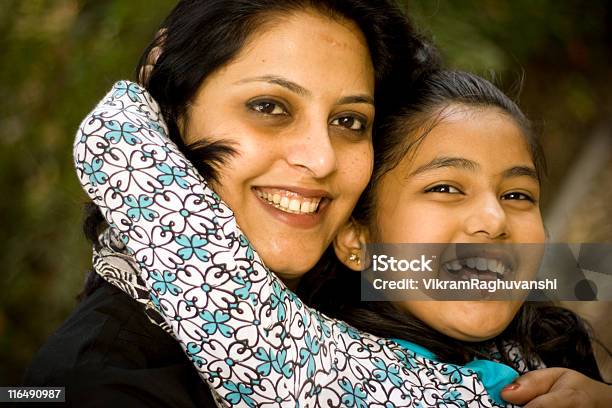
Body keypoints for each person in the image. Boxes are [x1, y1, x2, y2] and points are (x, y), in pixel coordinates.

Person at [67, 64, 612, 405]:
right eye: (446, 188)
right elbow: (195, 252)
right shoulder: (331, 372)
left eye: (519, 195)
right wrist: (168, 75)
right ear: (357, 241)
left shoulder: (553, 352)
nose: (494, 220)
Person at [24, 0, 434, 406]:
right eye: (269, 107)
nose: (321, 158)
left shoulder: (361, 277)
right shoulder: (99, 380)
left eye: (349, 121)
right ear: (173, 108)